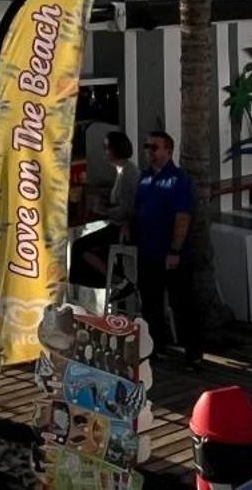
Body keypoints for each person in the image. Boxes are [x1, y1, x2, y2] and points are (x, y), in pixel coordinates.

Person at [133, 130, 203, 366]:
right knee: (151, 303)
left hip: (171, 254)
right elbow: (138, 209)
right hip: (147, 251)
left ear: (168, 151)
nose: (149, 152)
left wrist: (175, 250)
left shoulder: (178, 179)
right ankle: (156, 348)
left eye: (154, 147)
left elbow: (182, 216)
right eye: (147, 147)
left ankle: (193, 353)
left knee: (181, 303)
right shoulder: (144, 178)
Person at [73, 131, 138, 282]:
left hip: (122, 228)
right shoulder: (122, 171)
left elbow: (127, 207)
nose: (105, 152)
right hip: (117, 224)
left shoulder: (129, 173)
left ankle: (115, 280)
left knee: (80, 247)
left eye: (107, 148)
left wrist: (105, 211)